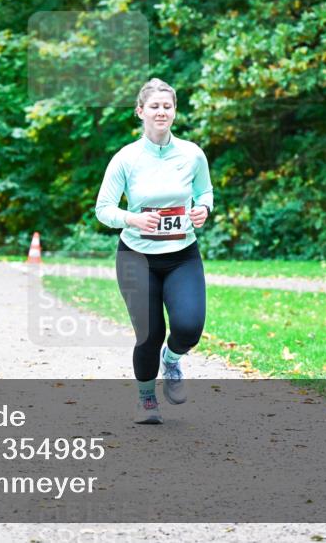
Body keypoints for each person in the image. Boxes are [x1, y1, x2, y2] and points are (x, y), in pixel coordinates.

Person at [94, 78, 213, 424]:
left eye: (168, 106)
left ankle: (173, 360)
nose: (161, 112)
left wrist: (203, 210)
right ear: (140, 111)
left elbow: (205, 193)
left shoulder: (192, 154)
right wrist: (132, 219)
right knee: (149, 333)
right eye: (155, 106)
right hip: (136, 257)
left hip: (182, 255)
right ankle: (147, 398)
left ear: (174, 111)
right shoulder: (126, 158)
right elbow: (103, 209)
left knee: (189, 327)